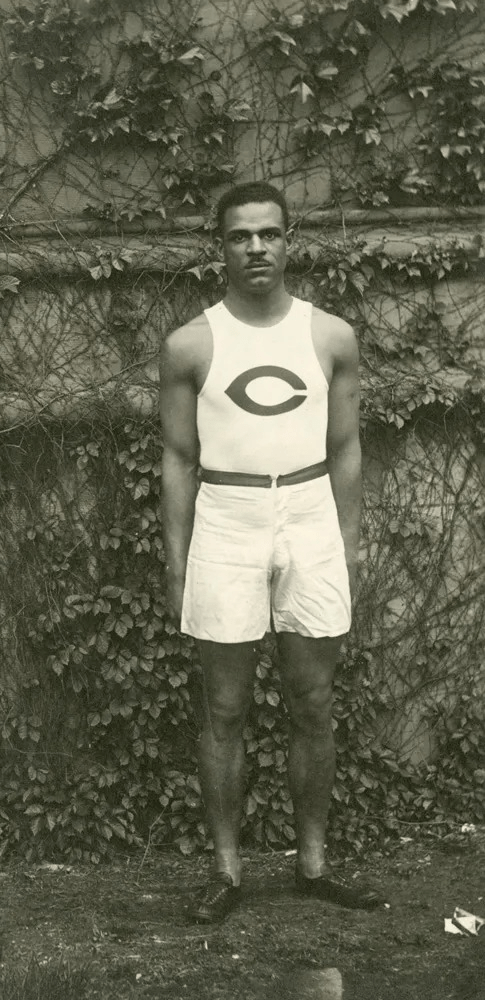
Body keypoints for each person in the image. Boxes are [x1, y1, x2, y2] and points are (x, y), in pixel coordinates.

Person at [159, 181, 382, 923]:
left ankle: (312, 864)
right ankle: (226, 870)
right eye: (239, 235)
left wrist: (346, 544)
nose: (255, 247)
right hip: (227, 515)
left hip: (308, 510)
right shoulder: (191, 344)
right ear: (220, 247)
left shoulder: (330, 336)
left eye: (269, 233)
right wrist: (176, 559)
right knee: (224, 705)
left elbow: (345, 448)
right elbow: (178, 458)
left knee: (312, 698)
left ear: (289, 241)